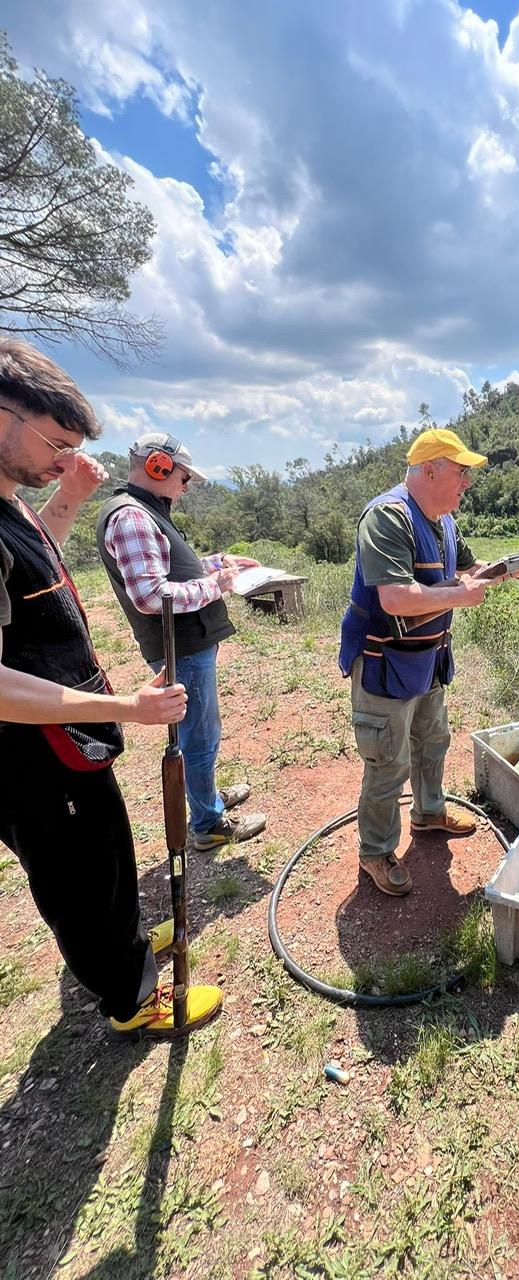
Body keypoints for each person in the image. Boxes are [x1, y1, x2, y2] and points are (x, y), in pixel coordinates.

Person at [0, 338, 221, 1038]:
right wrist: (124, 705)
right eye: (56, 443)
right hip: (30, 757)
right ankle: (130, 1001)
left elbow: (40, 569)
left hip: (68, 737)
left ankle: (124, 946)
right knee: (77, 876)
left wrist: (62, 498)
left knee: (106, 850)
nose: (66, 460)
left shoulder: (11, 504)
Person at [338, 426, 519, 896]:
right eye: (460, 472)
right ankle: (376, 852)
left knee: (433, 740)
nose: (466, 483)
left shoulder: (443, 519)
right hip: (384, 662)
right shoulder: (387, 517)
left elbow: (471, 573)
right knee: (388, 764)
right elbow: (394, 598)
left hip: (427, 660)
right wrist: (462, 594)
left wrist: (515, 569)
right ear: (429, 471)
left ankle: (428, 813)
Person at [96, 433, 267, 852]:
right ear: (158, 466)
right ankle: (208, 824)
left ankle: (205, 798)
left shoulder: (145, 512)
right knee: (198, 735)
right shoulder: (133, 517)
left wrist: (218, 563)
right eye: (184, 478)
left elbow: (173, 567)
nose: (186, 487)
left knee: (201, 730)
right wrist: (217, 584)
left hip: (188, 643)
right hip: (181, 646)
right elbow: (155, 596)